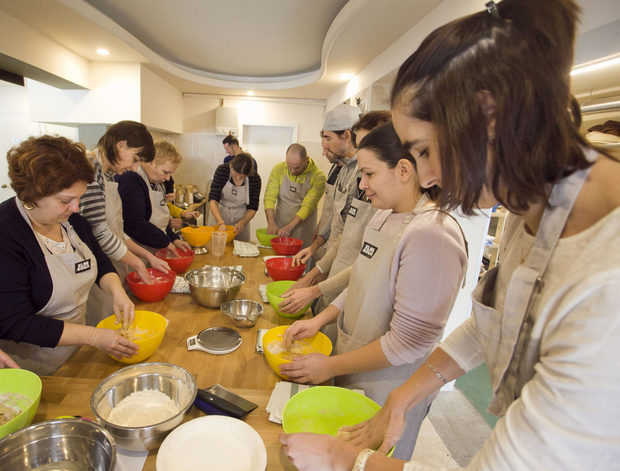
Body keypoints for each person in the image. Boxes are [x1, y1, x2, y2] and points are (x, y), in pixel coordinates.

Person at [280, 0, 620, 469]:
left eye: (423, 151)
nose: (427, 176)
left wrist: (351, 462)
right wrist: (410, 389)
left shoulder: (606, 277)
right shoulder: (537, 209)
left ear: (489, 121)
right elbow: (490, 323)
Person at [279, 123, 468, 459]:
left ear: (405, 170)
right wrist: (320, 319)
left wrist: (330, 366)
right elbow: (361, 281)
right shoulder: (382, 218)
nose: (362, 185)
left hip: (390, 382)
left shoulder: (432, 234)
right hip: (355, 361)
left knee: (374, 460)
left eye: (368, 174)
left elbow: (409, 342)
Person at [0, 136, 138, 375]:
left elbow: (101, 262)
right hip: (32, 368)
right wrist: (94, 336)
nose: (76, 208)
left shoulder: (73, 222)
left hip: (75, 355)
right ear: (32, 194)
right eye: (66, 200)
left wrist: (118, 292)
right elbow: (16, 322)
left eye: (79, 198)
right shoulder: (6, 235)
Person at [281, 111, 392, 316]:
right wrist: (316, 265)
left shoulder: (407, 219)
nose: (364, 183)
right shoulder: (343, 171)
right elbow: (344, 231)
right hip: (335, 262)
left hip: (350, 279)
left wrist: (314, 282)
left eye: (328, 140)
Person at [79, 120, 171, 325]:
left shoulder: (109, 174)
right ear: (121, 145)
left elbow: (117, 230)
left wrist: (148, 257)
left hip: (112, 261)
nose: (134, 167)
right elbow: (100, 232)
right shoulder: (90, 169)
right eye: (135, 159)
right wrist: (138, 262)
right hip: (96, 269)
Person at [294, 104, 361, 264]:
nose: (324, 152)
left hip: (345, 258)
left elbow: (352, 229)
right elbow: (334, 216)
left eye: (328, 139)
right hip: (328, 248)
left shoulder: (361, 173)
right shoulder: (343, 168)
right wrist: (315, 245)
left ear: (346, 136)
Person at [117, 140, 193, 254]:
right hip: (137, 251)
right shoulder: (132, 179)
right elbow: (134, 224)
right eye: (165, 172)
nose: (168, 178)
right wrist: (166, 242)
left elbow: (160, 220)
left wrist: (174, 239)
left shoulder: (157, 182)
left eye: (170, 174)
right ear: (151, 162)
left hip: (155, 248)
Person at [263, 144, 326, 248]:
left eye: (296, 168)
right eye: (289, 167)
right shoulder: (279, 169)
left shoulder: (318, 177)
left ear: (306, 159)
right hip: (279, 225)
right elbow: (269, 196)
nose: (292, 171)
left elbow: (307, 206)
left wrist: (289, 227)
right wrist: (271, 222)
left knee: (299, 261)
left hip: (303, 230)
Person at [208, 152, 262, 241]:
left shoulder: (254, 178)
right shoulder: (222, 171)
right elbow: (213, 200)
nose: (237, 178)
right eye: (235, 175)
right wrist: (220, 223)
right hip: (219, 215)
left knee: (240, 250)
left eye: (242, 177)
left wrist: (242, 223)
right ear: (231, 166)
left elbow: (253, 207)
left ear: (248, 174)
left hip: (241, 219)